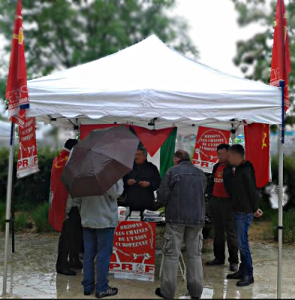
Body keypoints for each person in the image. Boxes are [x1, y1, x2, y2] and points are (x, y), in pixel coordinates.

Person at [155, 150, 206, 299]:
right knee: (195, 255)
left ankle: (167, 292)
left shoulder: (172, 171)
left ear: (176, 159)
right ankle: (196, 292)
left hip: (176, 219)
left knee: (171, 255)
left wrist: (159, 202)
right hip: (197, 219)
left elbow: (162, 195)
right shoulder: (201, 173)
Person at [73, 180, 124, 298]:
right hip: (104, 220)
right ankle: (102, 288)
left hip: (87, 218)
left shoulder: (84, 173)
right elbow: (116, 193)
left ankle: (87, 286)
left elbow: (76, 199)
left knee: (88, 254)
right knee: (103, 255)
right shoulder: (109, 172)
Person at [226, 144, 263, 287]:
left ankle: (249, 274)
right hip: (238, 210)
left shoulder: (246, 170)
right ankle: (242, 270)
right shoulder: (239, 168)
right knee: (240, 243)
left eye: (229, 155)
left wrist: (255, 209)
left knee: (243, 244)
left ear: (236, 156)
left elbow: (253, 191)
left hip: (244, 212)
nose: (227, 158)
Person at [49, 139, 83, 276]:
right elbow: (71, 185)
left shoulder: (59, 158)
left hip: (61, 202)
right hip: (67, 205)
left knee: (75, 233)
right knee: (67, 236)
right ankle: (62, 265)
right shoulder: (69, 162)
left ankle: (73, 260)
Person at [206, 144, 239, 272]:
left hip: (228, 203)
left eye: (222, 154)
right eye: (218, 153)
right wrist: (210, 195)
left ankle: (234, 261)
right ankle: (219, 258)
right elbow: (212, 182)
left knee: (230, 232)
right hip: (215, 201)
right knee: (218, 231)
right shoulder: (216, 166)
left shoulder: (233, 167)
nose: (219, 156)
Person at [123, 147, 161, 214]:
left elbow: (158, 183)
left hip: (146, 200)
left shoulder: (152, 168)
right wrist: (127, 182)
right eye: (135, 154)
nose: (136, 157)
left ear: (144, 156)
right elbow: (121, 181)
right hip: (131, 199)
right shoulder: (128, 167)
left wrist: (149, 184)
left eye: (138, 154)